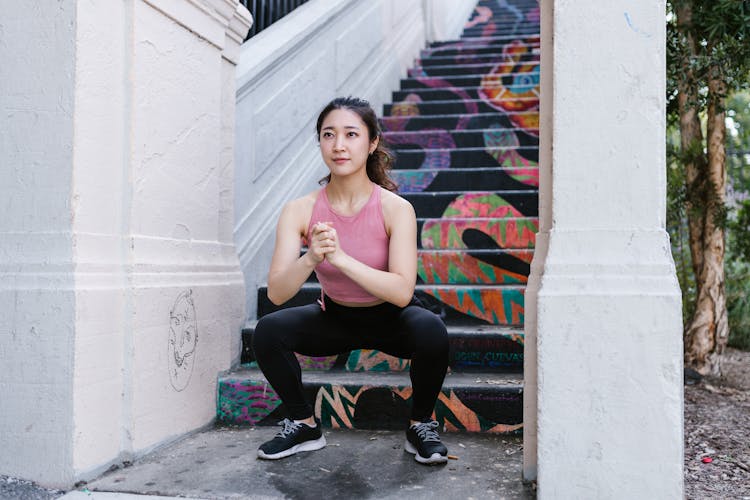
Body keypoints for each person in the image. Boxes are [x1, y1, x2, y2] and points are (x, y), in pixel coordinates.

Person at [252, 96, 450, 465]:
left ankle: (421, 424)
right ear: (320, 142)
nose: (339, 145)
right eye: (329, 135)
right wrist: (311, 256)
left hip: (391, 317)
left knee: (433, 331)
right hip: (336, 317)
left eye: (351, 134)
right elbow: (278, 292)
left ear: (372, 142)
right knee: (267, 330)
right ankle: (303, 423)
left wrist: (341, 259)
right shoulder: (299, 210)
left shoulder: (395, 208)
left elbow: (402, 289)